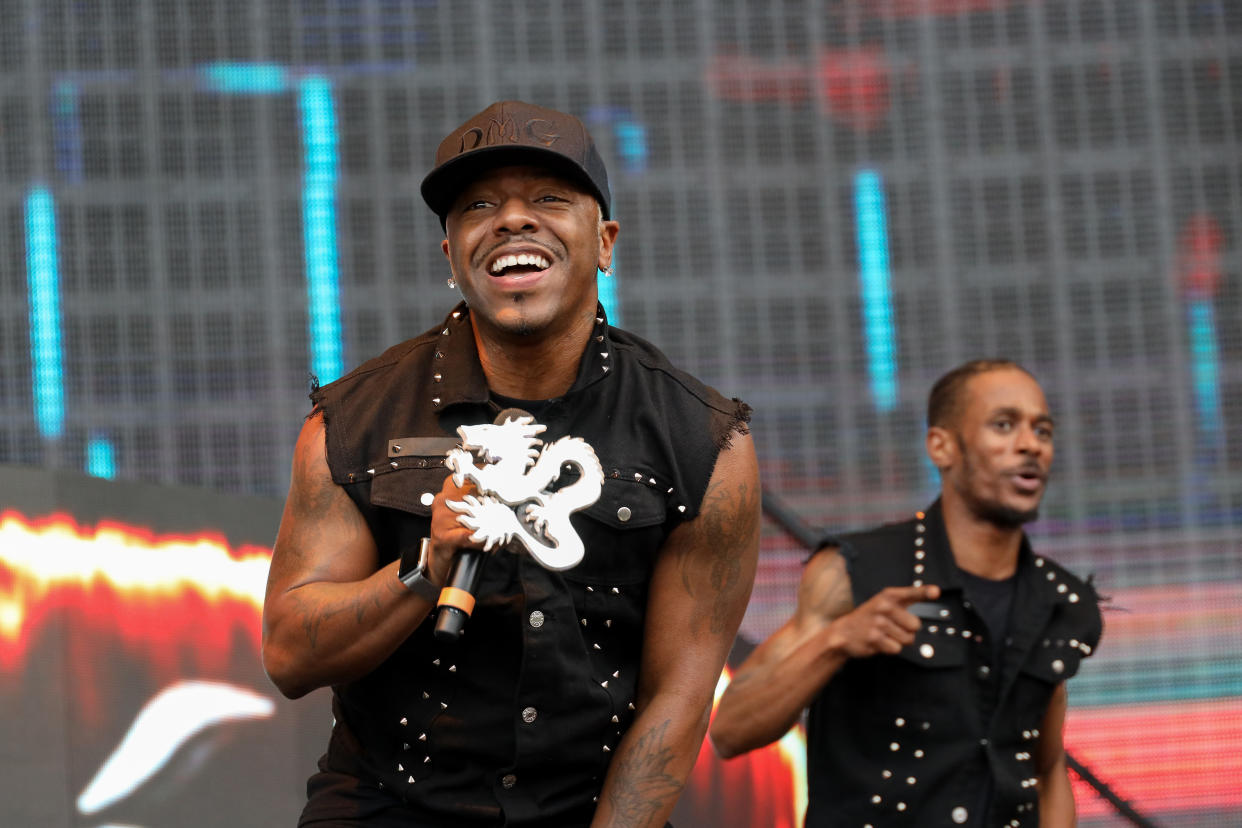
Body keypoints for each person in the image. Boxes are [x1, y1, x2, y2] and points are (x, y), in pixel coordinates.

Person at [261, 100, 760, 828]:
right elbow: (289, 654)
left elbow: (676, 699)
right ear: (451, 255)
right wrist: (423, 570)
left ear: (605, 242)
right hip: (387, 805)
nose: (512, 219)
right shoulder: (354, 421)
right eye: (478, 206)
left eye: (549, 198)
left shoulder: (700, 439)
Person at [710, 360, 1103, 828]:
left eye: (1043, 431)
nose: (1029, 445)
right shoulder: (855, 570)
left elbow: (1046, 766)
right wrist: (838, 641)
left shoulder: (1058, 599)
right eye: (1004, 425)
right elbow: (731, 730)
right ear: (941, 446)